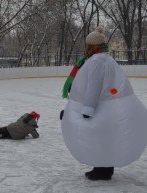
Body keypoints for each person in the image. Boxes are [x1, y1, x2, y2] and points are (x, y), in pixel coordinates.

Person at [61, 26, 147, 181]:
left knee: (98, 137)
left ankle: (102, 170)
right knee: (105, 138)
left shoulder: (96, 61)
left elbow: (93, 87)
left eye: (88, 45)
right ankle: (103, 167)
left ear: (93, 45)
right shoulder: (107, 58)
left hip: (102, 107)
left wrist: (87, 109)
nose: (86, 48)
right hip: (109, 106)